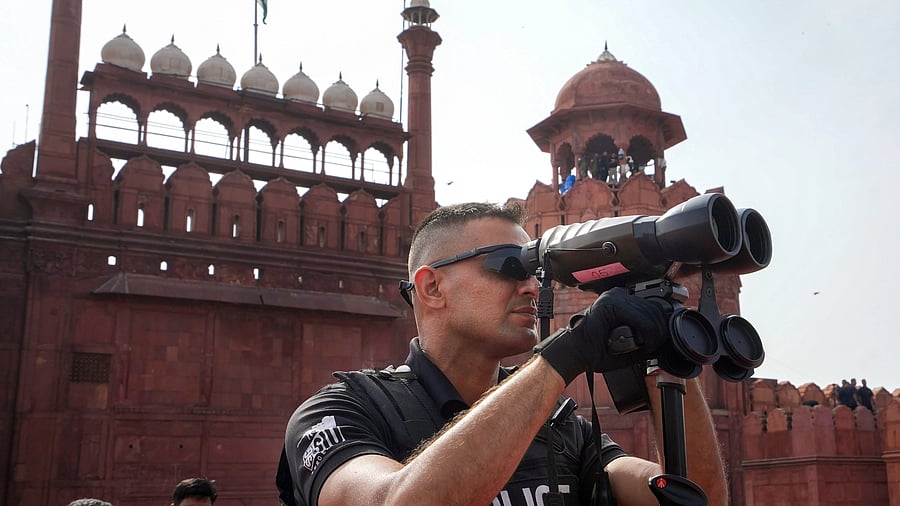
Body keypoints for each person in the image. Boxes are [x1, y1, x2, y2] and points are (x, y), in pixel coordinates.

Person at [277, 202, 728, 506]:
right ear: (431, 287)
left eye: (534, 269)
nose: (532, 285)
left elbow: (697, 496)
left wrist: (669, 353)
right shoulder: (343, 409)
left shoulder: (558, 426)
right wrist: (566, 352)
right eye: (508, 266)